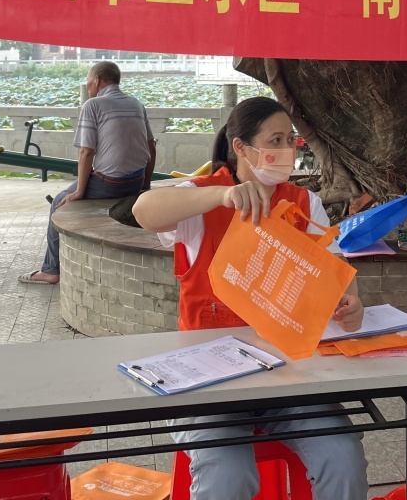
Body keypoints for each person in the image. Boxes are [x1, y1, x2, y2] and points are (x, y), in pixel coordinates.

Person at [133, 96, 367, 500]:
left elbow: (338, 275)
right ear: (241, 147)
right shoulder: (201, 198)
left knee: (343, 456)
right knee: (229, 476)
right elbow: (143, 210)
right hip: (208, 383)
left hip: (287, 378)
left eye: (290, 139)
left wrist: (351, 305)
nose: (286, 149)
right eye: (275, 140)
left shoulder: (303, 203)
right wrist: (221, 196)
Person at [20, 61, 155, 285]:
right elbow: (151, 147)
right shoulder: (136, 103)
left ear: (97, 80)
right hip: (136, 180)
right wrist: (145, 185)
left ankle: (51, 270)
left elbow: (86, 152)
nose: (88, 86)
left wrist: (79, 192)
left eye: (88, 81)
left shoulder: (93, 105)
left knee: (59, 201)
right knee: (76, 191)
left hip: (111, 183)